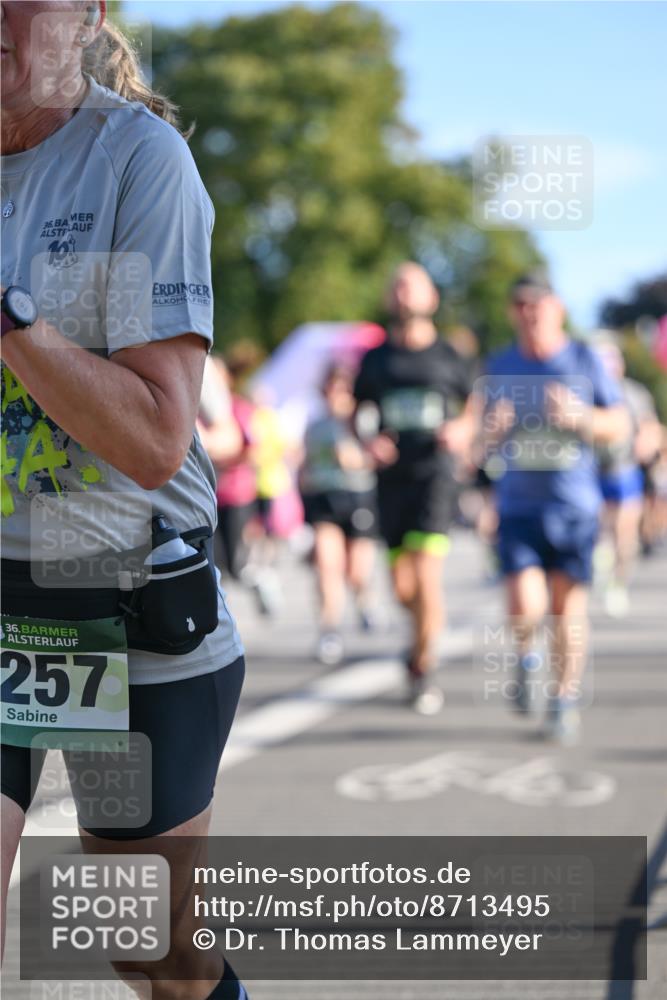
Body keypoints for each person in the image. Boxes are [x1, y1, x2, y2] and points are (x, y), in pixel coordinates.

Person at [1, 4, 247, 998]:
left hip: (126, 591)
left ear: (85, 14)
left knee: (156, 953)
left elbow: (154, 437)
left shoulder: (138, 163)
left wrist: (10, 318)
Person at [482, 273, 629, 744]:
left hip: (574, 506)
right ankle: (527, 658)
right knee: (525, 602)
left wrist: (580, 417)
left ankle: (564, 699)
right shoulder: (500, 364)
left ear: (557, 309)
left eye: (538, 304)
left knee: (567, 613)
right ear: (512, 312)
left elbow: (620, 424)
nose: (530, 313)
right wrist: (493, 430)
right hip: (520, 504)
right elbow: (479, 438)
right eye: (521, 305)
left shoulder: (584, 359)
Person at [353, 262, 475, 714]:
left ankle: (424, 668)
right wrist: (369, 439)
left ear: (431, 299)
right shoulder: (376, 358)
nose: (403, 294)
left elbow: (473, 403)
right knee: (404, 587)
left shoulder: (450, 355)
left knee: (426, 576)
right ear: (390, 299)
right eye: (396, 286)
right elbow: (357, 409)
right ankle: (419, 645)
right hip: (391, 481)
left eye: (412, 286)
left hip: (435, 475)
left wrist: (463, 429)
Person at [300, 364, 378, 665]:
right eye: (331, 388)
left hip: (357, 497)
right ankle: (329, 629)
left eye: (342, 389)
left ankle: (364, 598)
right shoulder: (316, 425)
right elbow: (306, 461)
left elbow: (374, 456)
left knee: (356, 571)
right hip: (324, 499)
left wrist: (354, 454)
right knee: (327, 565)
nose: (336, 395)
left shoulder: (362, 421)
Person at [590, 333, 662, 616]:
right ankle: (600, 563)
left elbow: (649, 427)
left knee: (624, 530)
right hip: (592, 471)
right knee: (598, 528)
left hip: (624, 469)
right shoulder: (587, 393)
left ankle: (618, 582)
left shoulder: (633, 393)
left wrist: (648, 444)